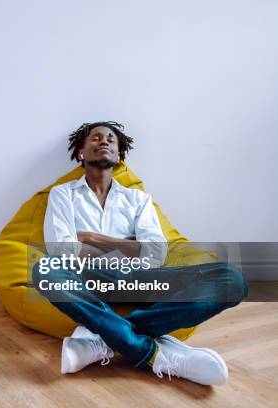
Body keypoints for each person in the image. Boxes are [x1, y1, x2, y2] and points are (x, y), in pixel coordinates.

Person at [32, 121, 248, 386]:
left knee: (232, 279)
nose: (104, 142)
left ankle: (105, 338)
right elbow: (62, 250)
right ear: (81, 153)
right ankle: (151, 352)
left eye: (111, 139)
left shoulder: (138, 199)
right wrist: (130, 245)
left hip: (141, 280)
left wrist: (90, 237)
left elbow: (155, 253)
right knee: (45, 269)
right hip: (88, 279)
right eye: (96, 138)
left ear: (119, 154)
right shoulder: (63, 194)